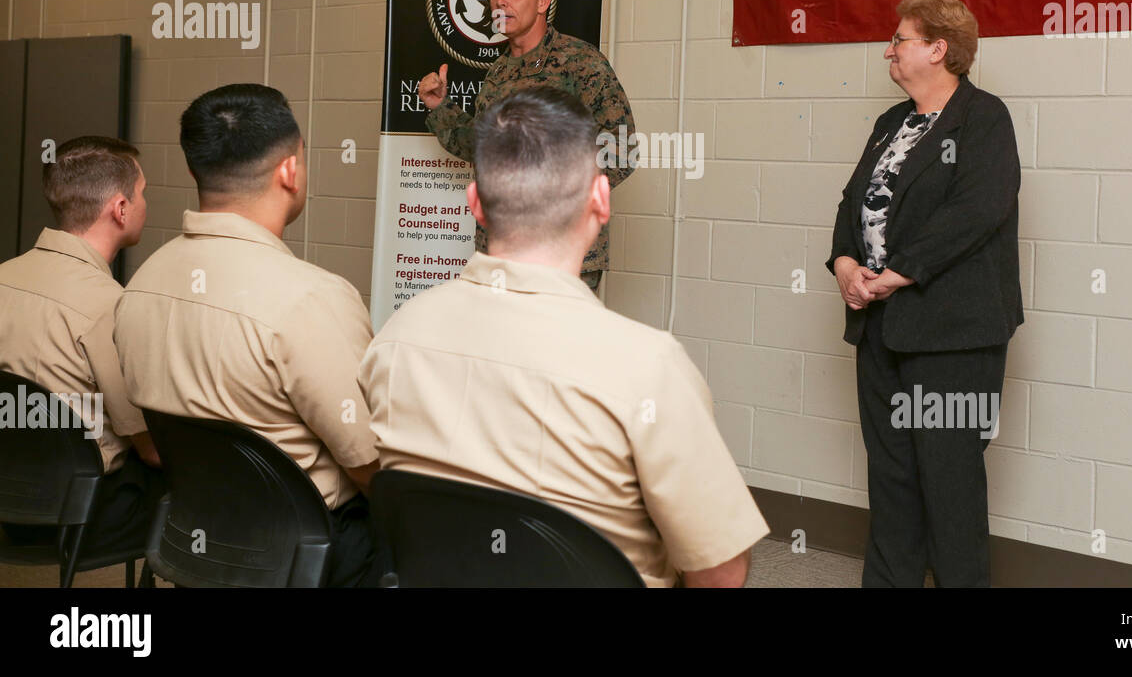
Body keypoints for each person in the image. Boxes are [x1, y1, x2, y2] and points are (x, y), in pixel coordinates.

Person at [360, 88, 768, 587]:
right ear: (600, 198)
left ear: (475, 205)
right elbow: (720, 570)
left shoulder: (395, 338)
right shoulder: (648, 366)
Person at [115, 84, 380, 587]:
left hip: (198, 539)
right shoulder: (312, 298)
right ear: (289, 171)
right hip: (312, 557)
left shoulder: (139, 286)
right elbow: (369, 462)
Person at [826, 0, 1022, 588]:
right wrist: (843, 264)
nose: (889, 49)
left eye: (900, 40)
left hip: (953, 333)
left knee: (949, 478)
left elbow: (977, 211)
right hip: (882, 326)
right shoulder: (893, 121)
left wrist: (899, 271)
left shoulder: (984, 117)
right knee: (890, 475)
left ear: (939, 49)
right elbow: (853, 202)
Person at [417, 0, 635, 292]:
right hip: (500, 252)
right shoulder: (498, 73)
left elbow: (622, 147)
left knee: (557, 345)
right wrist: (440, 107)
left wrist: (554, 196)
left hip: (563, 254)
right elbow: (482, 148)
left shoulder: (579, 63)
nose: (500, 1)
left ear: (542, 2)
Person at [0, 136, 163, 558]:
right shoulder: (109, 306)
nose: (146, 204)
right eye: (143, 193)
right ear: (120, 208)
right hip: (81, 516)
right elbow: (147, 447)